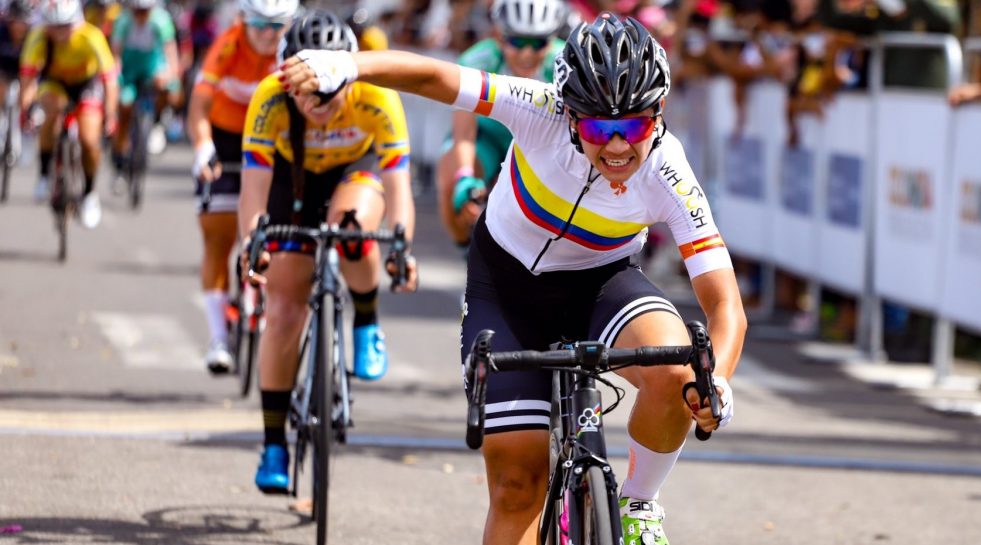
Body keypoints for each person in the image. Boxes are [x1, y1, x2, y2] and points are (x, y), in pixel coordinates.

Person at [278, 13, 744, 544]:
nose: (617, 148)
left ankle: (640, 504)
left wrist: (718, 384)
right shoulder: (538, 108)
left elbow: (725, 305)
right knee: (517, 487)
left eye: (633, 127)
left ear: (658, 115)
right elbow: (434, 77)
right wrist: (346, 64)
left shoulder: (668, 168)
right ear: (570, 115)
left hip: (602, 284)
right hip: (505, 290)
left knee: (679, 372)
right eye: (597, 128)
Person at [237, 9, 419, 493]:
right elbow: (253, 192)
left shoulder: (378, 96)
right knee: (282, 309)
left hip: (353, 174)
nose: (318, 103)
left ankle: (365, 321)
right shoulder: (270, 98)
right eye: (306, 91)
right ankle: (273, 442)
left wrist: (402, 247)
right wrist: (251, 242)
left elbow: (399, 188)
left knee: (352, 229)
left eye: (329, 91)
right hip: (292, 181)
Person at [188, 0, 296, 373]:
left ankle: (264, 296)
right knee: (218, 236)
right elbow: (199, 104)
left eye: (276, 26)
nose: (268, 35)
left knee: (282, 230)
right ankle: (219, 336)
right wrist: (203, 148)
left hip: (275, 143)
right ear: (244, 21)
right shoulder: (229, 44)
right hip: (228, 139)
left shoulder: (294, 48)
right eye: (259, 26)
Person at [435, 0, 565, 253]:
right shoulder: (476, 61)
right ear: (499, 36)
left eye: (538, 43)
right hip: (489, 140)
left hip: (542, 143)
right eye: (516, 42)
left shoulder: (566, 63)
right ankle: (468, 254)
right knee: (452, 182)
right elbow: (464, 135)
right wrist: (464, 178)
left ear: (552, 39)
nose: (526, 53)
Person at [19, 0, 117, 228]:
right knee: (50, 112)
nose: (61, 33)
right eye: (55, 27)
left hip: (86, 84)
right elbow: (27, 80)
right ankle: (44, 173)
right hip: (54, 83)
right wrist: (26, 110)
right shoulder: (38, 37)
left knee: (90, 141)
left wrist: (110, 115)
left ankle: (90, 193)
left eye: (66, 26)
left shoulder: (91, 37)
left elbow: (110, 81)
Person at [109, 0, 181, 177]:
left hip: (152, 68)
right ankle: (120, 150)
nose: (141, 16)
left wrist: (171, 74)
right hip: (129, 71)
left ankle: (156, 122)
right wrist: (114, 75)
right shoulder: (123, 21)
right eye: (137, 11)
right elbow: (115, 53)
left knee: (168, 89)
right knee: (125, 105)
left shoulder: (161, 21)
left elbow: (170, 52)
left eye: (145, 11)